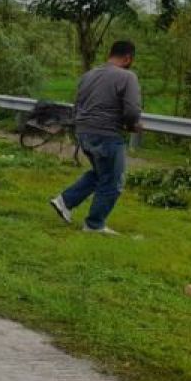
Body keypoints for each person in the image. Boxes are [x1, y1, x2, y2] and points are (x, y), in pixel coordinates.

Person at [50, 40, 143, 235]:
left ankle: (65, 201)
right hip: (106, 133)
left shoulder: (88, 75)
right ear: (128, 58)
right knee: (113, 181)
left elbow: (78, 103)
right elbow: (133, 110)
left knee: (102, 173)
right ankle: (94, 224)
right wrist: (132, 125)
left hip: (84, 131)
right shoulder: (127, 77)